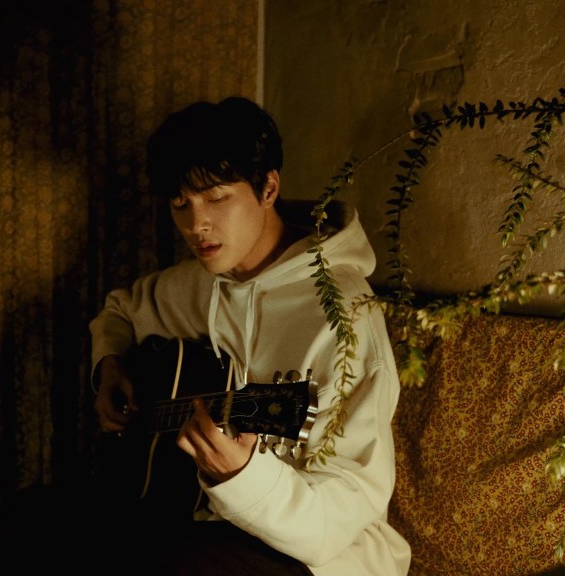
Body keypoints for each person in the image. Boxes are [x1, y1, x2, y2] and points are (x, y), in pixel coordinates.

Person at [89, 96, 411, 575]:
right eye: (180, 203)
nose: (196, 224)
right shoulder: (203, 281)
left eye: (216, 198)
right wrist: (109, 364)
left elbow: (347, 507)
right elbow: (121, 310)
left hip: (326, 553)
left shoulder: (344, 316)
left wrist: (242, 476)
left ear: (268, 188)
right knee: (40, 520)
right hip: (203, 521)